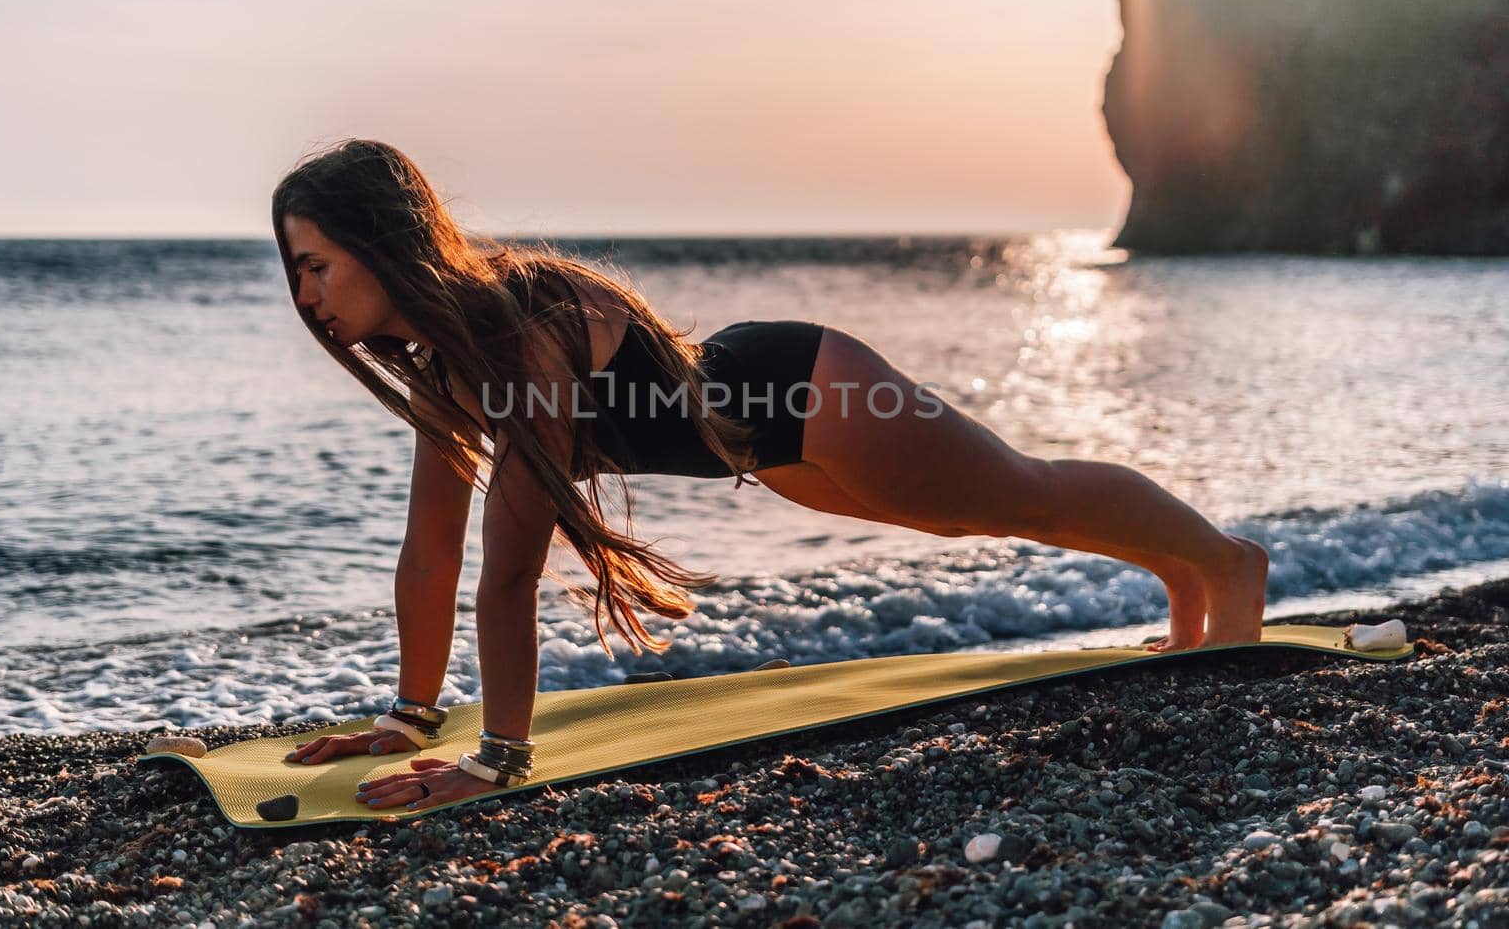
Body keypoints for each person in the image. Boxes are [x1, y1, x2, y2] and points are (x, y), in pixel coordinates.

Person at [273, 139, 1269, 810]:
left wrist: (496, 757)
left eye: (317, 262)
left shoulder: (519, 319)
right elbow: (430, 549)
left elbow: (508, 567)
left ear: (379, 241)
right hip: (759, 447)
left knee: (1016, 490)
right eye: (296, 270)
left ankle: (1223, 564)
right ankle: (1180, 577)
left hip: (798, 388)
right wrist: (406, 718)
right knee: (974, 517)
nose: (307, 293)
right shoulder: (445, 362)